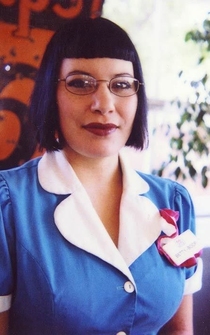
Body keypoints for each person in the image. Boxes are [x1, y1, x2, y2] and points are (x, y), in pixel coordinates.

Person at [0, 17, 202, 335]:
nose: (104, 104)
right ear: (51, 94)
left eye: (121, 84)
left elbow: (180, 330)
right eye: (80, 83)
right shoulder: (8, 206)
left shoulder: (175, 201)